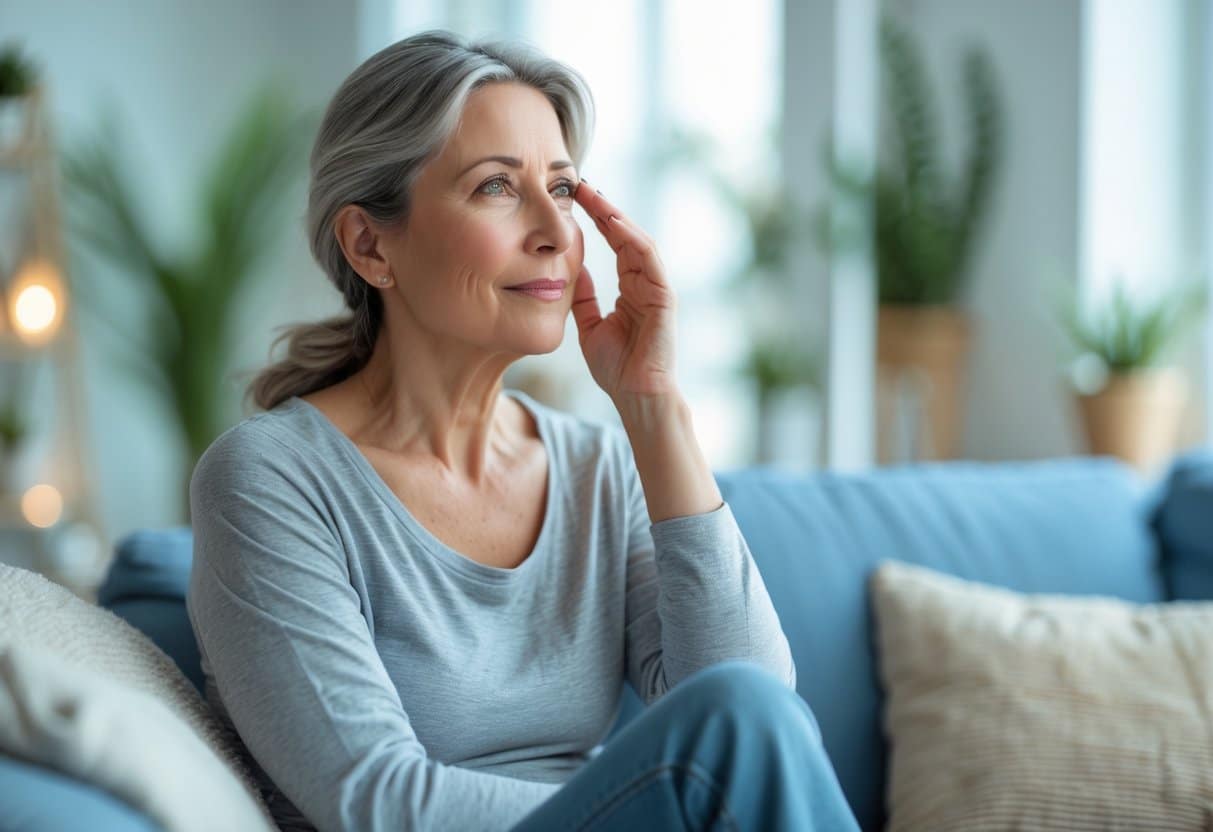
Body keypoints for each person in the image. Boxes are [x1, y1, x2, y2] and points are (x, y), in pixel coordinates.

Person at [186, 29, 860, 832]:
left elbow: (752, 704)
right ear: (370, 244)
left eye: (565, 188)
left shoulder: (590, 466)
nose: (553, 229)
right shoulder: (270, 478)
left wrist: (652, 407)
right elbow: (373, 800)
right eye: (496, 188)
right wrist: (672, 805)